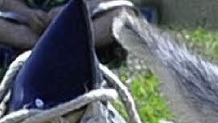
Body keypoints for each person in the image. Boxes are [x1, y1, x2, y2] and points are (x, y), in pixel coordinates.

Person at [0, 0, 137, 69]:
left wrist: (73, 10)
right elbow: (9, 2)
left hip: (83, 23)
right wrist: (28, 14)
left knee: (123, 16)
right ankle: (47, 46)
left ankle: (54, 47)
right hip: (33, 28)